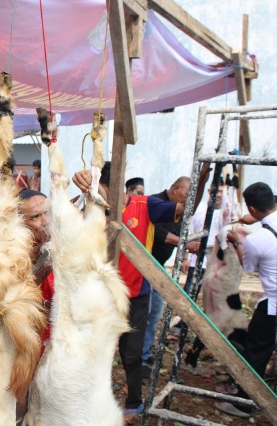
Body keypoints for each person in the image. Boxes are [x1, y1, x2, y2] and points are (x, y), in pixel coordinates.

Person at [117, 165, 209, 419]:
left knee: (132, 350)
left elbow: (185, 209)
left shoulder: (145, 205)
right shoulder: (95, 209)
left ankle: (134, 399)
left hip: (137, 290)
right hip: (105, 292)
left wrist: (201, 185)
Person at [217, 182, 277, 417]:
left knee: (256, 351)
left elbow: (249, 265)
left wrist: (237, 240)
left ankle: (244, 402)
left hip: (274, 305)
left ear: (252, 209)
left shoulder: (258, 240)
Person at [141, 177, 199, 373]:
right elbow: (157, 233)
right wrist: (184, 243)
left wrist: (183, 256)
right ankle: (137, 357)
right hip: (144, 267)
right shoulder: (155, 202)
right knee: (143, 313)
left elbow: (181, 229)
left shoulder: (179, 209)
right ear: (174, 190)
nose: (187, 198)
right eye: (186, 193)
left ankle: (145, 353)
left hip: (159, 268)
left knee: (155, 312)